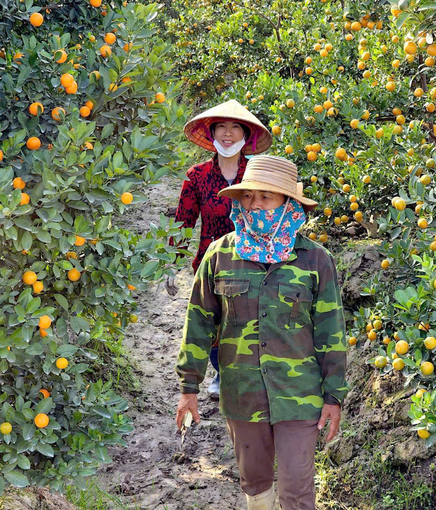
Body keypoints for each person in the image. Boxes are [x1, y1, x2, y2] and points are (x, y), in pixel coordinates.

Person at [174, 155, 350, 510]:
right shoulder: (219, 255)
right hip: (243, 393)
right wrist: (188, 388)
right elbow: (199, 323)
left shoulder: (315, 259)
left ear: (288, 202)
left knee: (297, 489)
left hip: (298, 394)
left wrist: (334, 396)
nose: (255, 205)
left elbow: (331, 332)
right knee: (254, 483)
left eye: (266, 197)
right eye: (248, 197)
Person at [167, 99, 272, 399]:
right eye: (222, 127)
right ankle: (219, 372)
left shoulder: (257, 174)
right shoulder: (197, 176)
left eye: (235, 128)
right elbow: (183, 222)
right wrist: (171, 264)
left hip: (252, 259)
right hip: (210, 262)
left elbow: (272, 214)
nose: (228, 134)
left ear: (245, 135)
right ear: (212, 133)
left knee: (246, 318)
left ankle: (246, 371)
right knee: (214, 321)